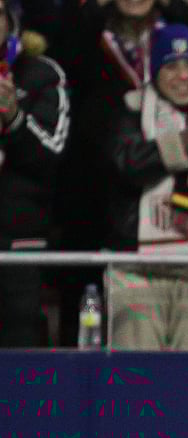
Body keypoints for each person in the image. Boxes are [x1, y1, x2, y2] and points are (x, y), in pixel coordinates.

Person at [104, 23, 188, 351]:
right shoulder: (129, 113)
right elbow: (128, 165)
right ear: (154, 72)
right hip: (137, 274)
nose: (183, 76)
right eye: (171, 67)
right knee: (137, 374)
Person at [0, 0, 69, 347]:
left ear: (10, 20)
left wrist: (14, 118)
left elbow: (52, 153)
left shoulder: (41, 73)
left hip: (20, 243)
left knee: (21, 356)